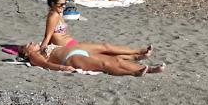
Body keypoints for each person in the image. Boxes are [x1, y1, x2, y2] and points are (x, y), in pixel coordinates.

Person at [40, 0, 155, 60]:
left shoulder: (58, 14)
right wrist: (42, 51)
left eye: (65, 4)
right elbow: (48, 36)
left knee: (102, 51)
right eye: (61, 4)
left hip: (71, 44)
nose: (63, 7)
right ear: (52, 4)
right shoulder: (53, 16)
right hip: (68, 47)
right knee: (104, 49)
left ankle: (136, 55)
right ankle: (137, 53)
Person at [18, 41, 164, 76]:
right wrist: (62, 68)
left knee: (114, 60)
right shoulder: (33, 56)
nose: (31, 43)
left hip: (76, 51)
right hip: (70, 57)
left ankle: (145, 67)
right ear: (26, 53)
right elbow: (44, 65)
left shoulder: (41, 48)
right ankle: (137, 71)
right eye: (28, 45)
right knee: (104, 63)